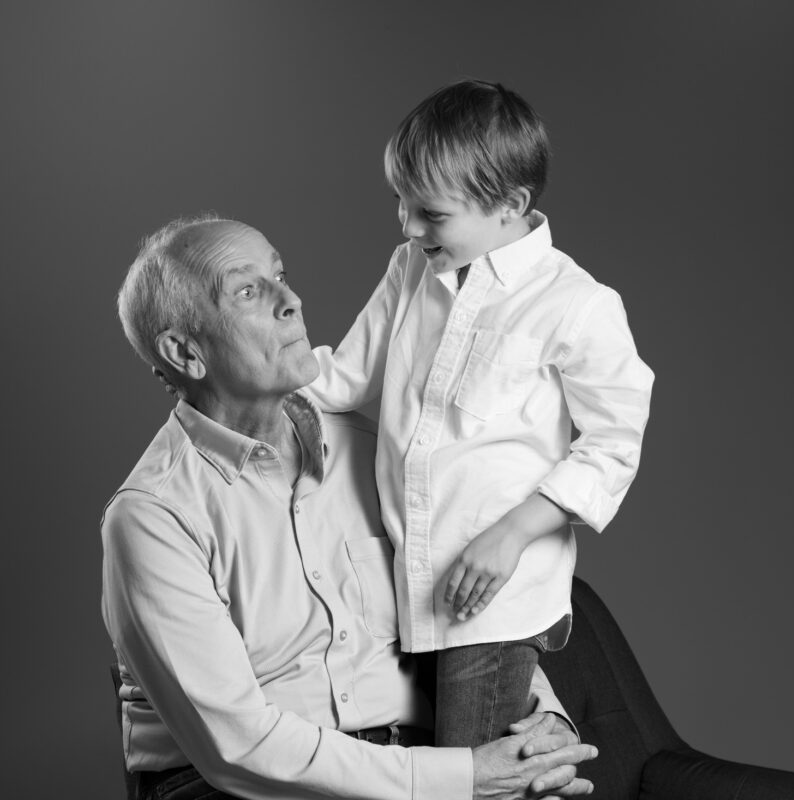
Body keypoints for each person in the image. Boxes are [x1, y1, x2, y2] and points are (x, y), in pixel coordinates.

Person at [102, 215, 597, 800]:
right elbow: (238, 749)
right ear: (185, 351)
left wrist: (541, 723)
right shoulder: (152, 517)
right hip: (239, 787)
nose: (292, 301)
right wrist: (465, 778)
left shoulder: (378, 452)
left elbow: (459, 608)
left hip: (424, 759)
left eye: (280, 275)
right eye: (248, 291)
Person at [303, 79, 655, 748]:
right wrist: (250, 381)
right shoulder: (410, 267)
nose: (408, 226)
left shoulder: (575, 303)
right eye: (401, 203)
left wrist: (515, 532)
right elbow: (344, 378)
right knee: (436, 767)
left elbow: (614, 442)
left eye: (431, 213)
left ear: (510, 205)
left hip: (496, 597)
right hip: (408, 585)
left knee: (468, 778)